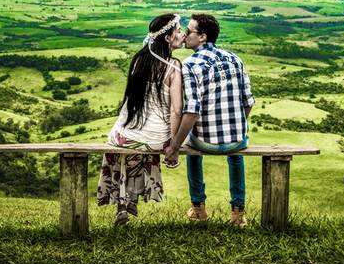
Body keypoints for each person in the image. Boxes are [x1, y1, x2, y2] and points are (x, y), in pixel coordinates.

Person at [165, 14, 254, 228]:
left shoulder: (190, 64)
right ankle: (238, 214)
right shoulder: (235, 58)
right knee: (236, 155)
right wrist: (236, 127)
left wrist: (174, 147)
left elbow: (192, 111)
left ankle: (198, 209)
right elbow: (248, 102)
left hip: (205, 143)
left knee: (190, 143)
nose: (185, 35)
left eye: (189, 31)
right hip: (236, 141)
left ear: (202, 37)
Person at [97, 13, 184, 226]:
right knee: (144, 142)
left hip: (126, 137)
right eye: (179, 31)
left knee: (125, 142)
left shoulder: (139, 60)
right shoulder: (174, 66)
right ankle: (132, 199)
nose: (182, 34)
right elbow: (176, 110)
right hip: (157, 140)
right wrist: (173, 145)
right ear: (167, 38)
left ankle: (122, 204)